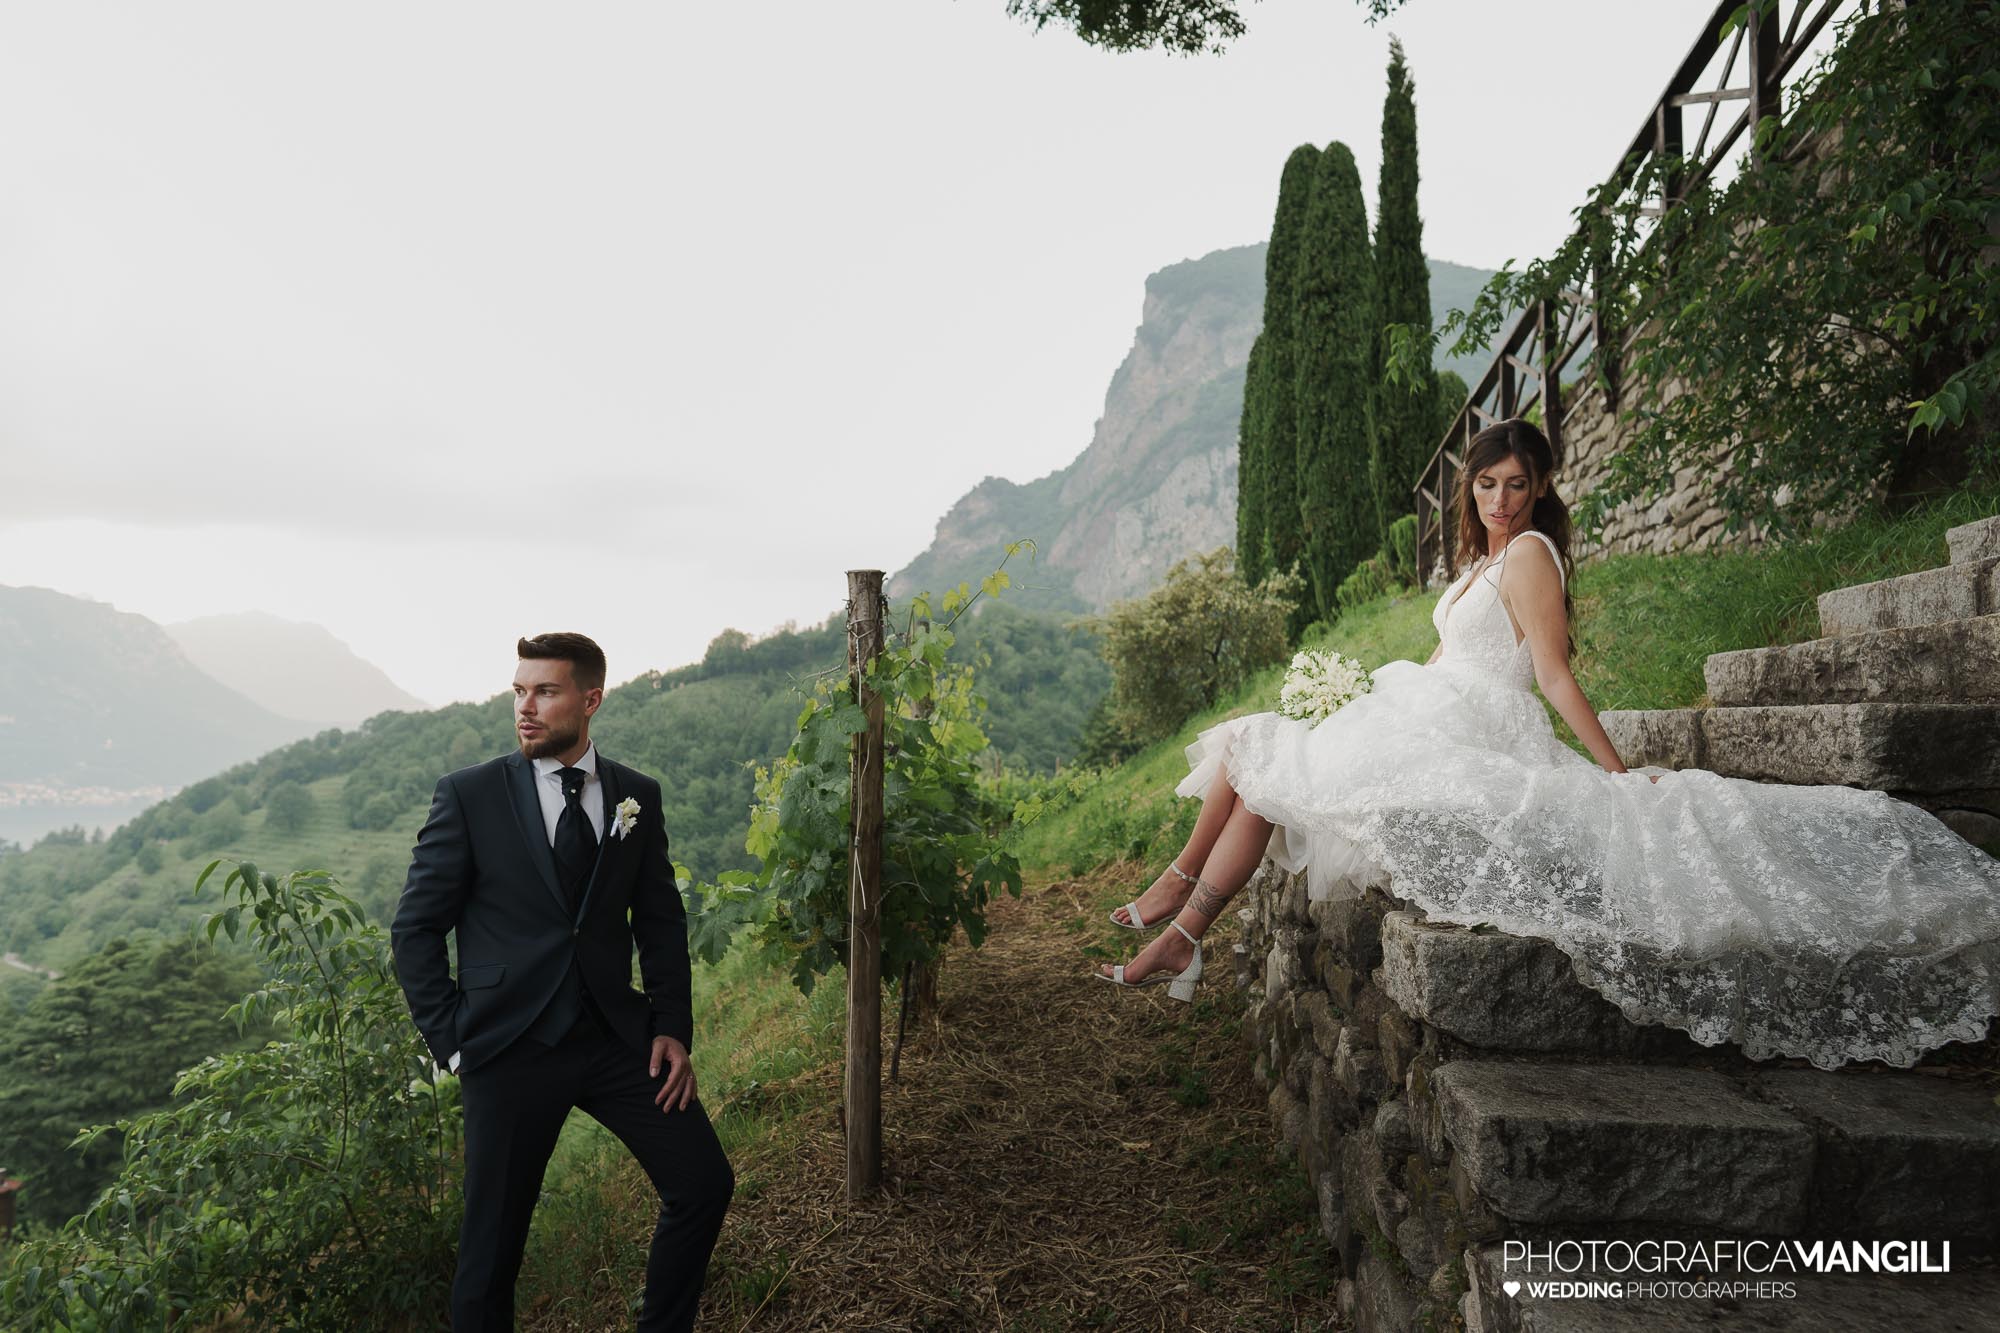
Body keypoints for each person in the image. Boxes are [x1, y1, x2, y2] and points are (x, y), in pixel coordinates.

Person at [1096, 418, 2000, 1070]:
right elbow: (1447, 651)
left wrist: (1615, 775)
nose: (1497, 499)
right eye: (1485, 484)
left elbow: (1554, 673)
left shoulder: (1529, 555)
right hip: (1428, 713)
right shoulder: (1480, 561)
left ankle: (1180, 918)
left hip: (1477, 729)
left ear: (1539, 488)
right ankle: (1181, 923)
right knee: (1259, 758)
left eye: (1515, 484)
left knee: (1261, 759)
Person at [392, 632, 733, 1332]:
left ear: (590, 698)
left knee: (703, 1182)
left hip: (616, 1041)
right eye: (519, 691)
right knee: (490, 1256)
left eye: (544, 692)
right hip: (507, 1048)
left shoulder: (637, 795)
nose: (525, 707)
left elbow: (661, 922)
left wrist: (670, 1025)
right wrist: (453, 1041)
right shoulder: (470, 795)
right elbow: (414, 929)